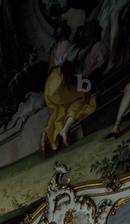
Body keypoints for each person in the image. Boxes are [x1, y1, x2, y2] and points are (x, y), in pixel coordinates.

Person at [41, 23, 97, 153]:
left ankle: (47, 133)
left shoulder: (53, 48)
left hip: (49, 87)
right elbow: (74, 57)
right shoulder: (66, 43)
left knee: (59, 110)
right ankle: (65, 130)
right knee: (82, 97)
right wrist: (91, 44)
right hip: (60, 81)